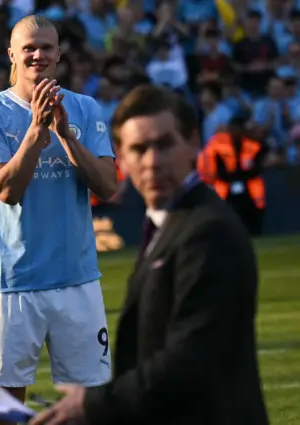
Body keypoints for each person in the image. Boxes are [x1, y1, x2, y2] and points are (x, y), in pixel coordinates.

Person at [30, 85, 269, 425]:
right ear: (122, 159)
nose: (153, 161)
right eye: (139, 149)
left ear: (193, 143)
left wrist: (93, 405)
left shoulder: (207, 230)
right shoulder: (168, 223)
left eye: (165, 144)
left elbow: (192, 358)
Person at [0, 15, 118, 425]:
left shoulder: (85, 109)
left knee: (89, 406)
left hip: (78, 279)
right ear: (11, 54)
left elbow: (108, 186)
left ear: (59, 54)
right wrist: (37, 131)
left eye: (46, 47)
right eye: (28, 47)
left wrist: (68, 135)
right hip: (14, 283)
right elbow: (7, 190)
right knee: (7, 412)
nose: (38, 55)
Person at [198, 115, 268, 236]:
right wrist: (232, 178)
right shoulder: (218, 144)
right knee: (228, 216)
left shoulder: (252, 144)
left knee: (252, 217)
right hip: (226, 188)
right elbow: (216, 169)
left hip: (249, 188)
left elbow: (258, 165)